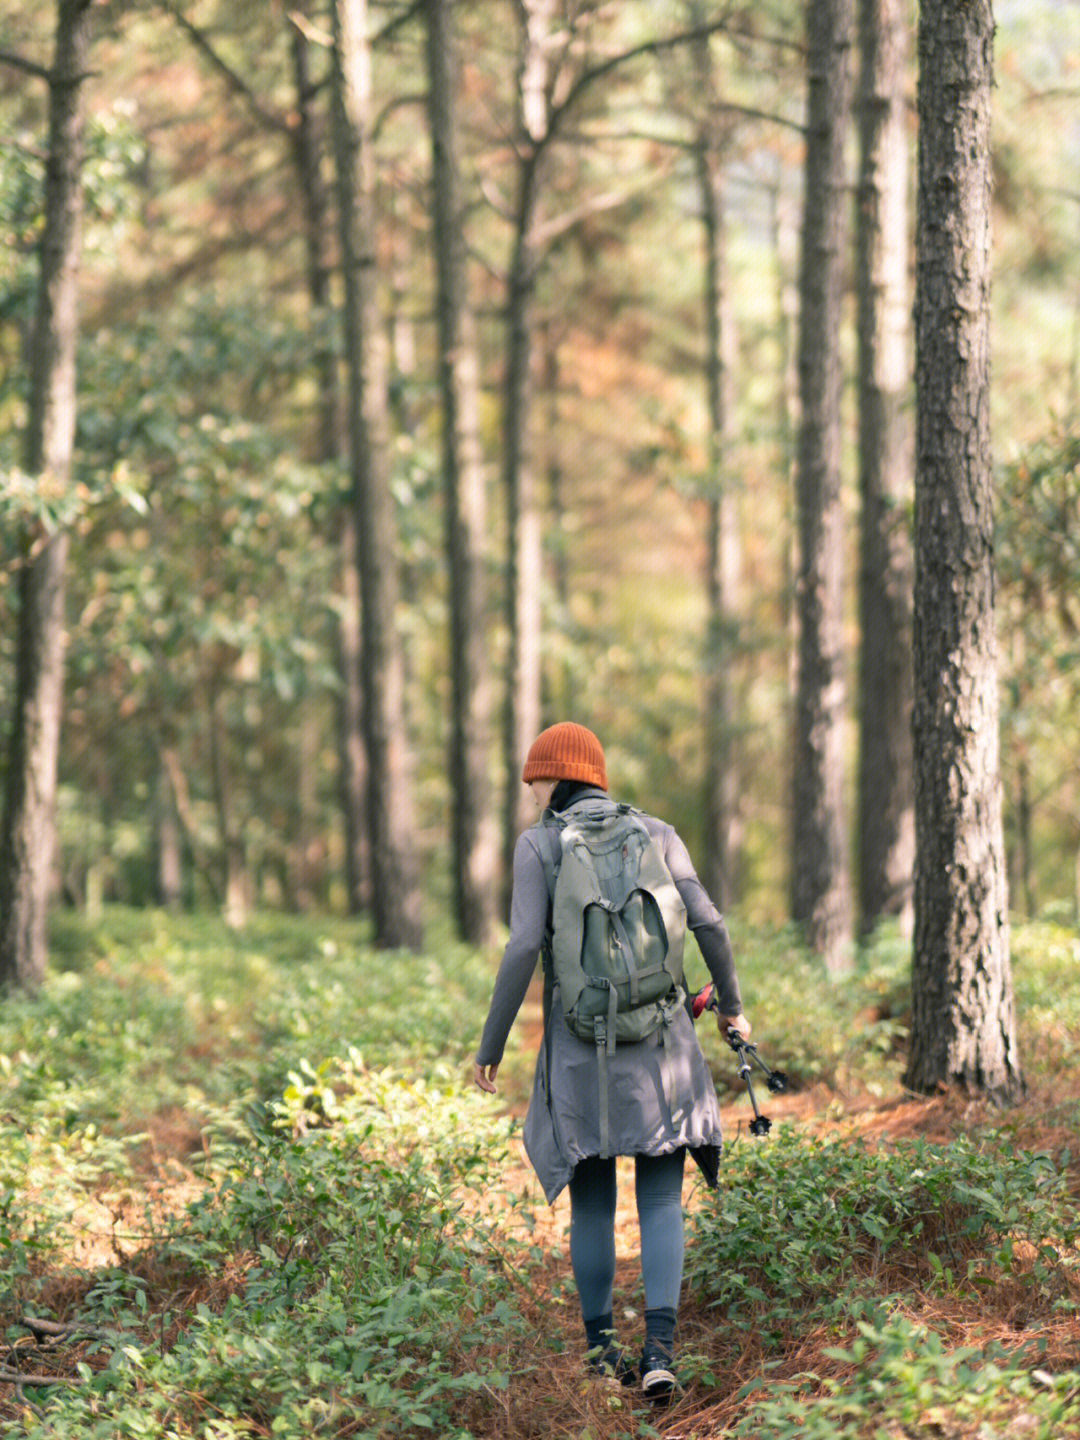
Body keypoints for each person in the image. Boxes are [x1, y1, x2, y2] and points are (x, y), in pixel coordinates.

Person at [473, 721, 749, 1403]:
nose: (531, 789)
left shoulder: (538, 845)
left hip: (579, 1050)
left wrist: (491, 1045)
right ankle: (659, 1353)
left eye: (535, 777)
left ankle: (601, 1359)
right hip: (661, 1043)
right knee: (660, 1198)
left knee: (591, 1203)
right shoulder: (655, 832)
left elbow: (520, 949)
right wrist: (732, 1006)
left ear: (557, 777)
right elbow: (708, 920)